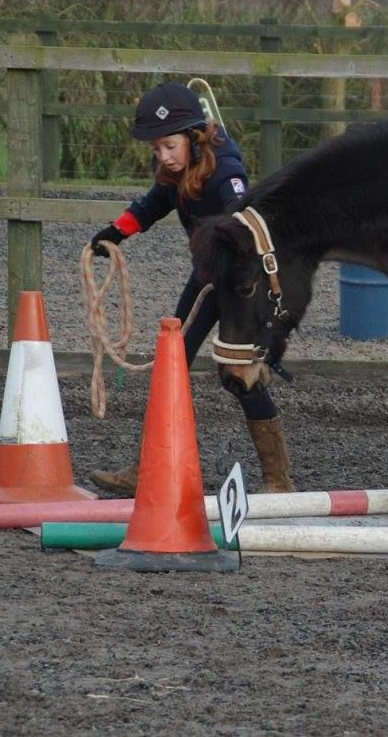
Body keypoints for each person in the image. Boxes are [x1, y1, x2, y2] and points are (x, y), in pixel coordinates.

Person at [88, 81, 293, 497]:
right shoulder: (176, 170)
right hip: (207, 278)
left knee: (239, 374)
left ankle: (278, 479)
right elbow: (153, 204)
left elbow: (246, 236)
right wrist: (116, 232)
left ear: (194, 138)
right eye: (157, 149)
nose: (163, 157)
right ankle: (147, 468)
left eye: (169, 146)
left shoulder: (227, 176)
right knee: (171, 360)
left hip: (239, 284)